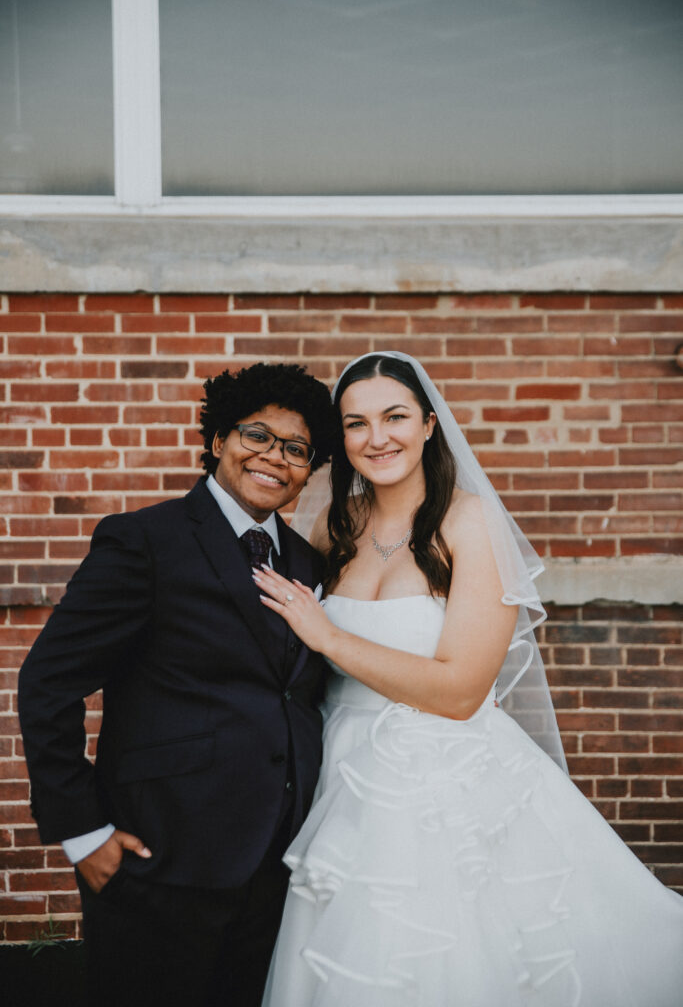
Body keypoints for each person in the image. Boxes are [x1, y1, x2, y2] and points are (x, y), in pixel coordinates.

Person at [254, 351, 683, 1007]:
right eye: (356, 423)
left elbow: (460, 692)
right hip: (337, 772)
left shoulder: (468, 523)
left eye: (394, 416)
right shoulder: (333, 524)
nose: (378, 438)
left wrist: (331, 636)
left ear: (428, 424)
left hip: (440, 784)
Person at [18, 362, 336, 1007]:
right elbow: (48, 682)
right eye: (257, 435)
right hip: (158, 860)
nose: (275, 458)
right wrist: (84, 833)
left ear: (310, 469)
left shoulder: (309, 565)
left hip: (277, 867)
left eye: (297, 449)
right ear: (218, 439)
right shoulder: (146, 540)